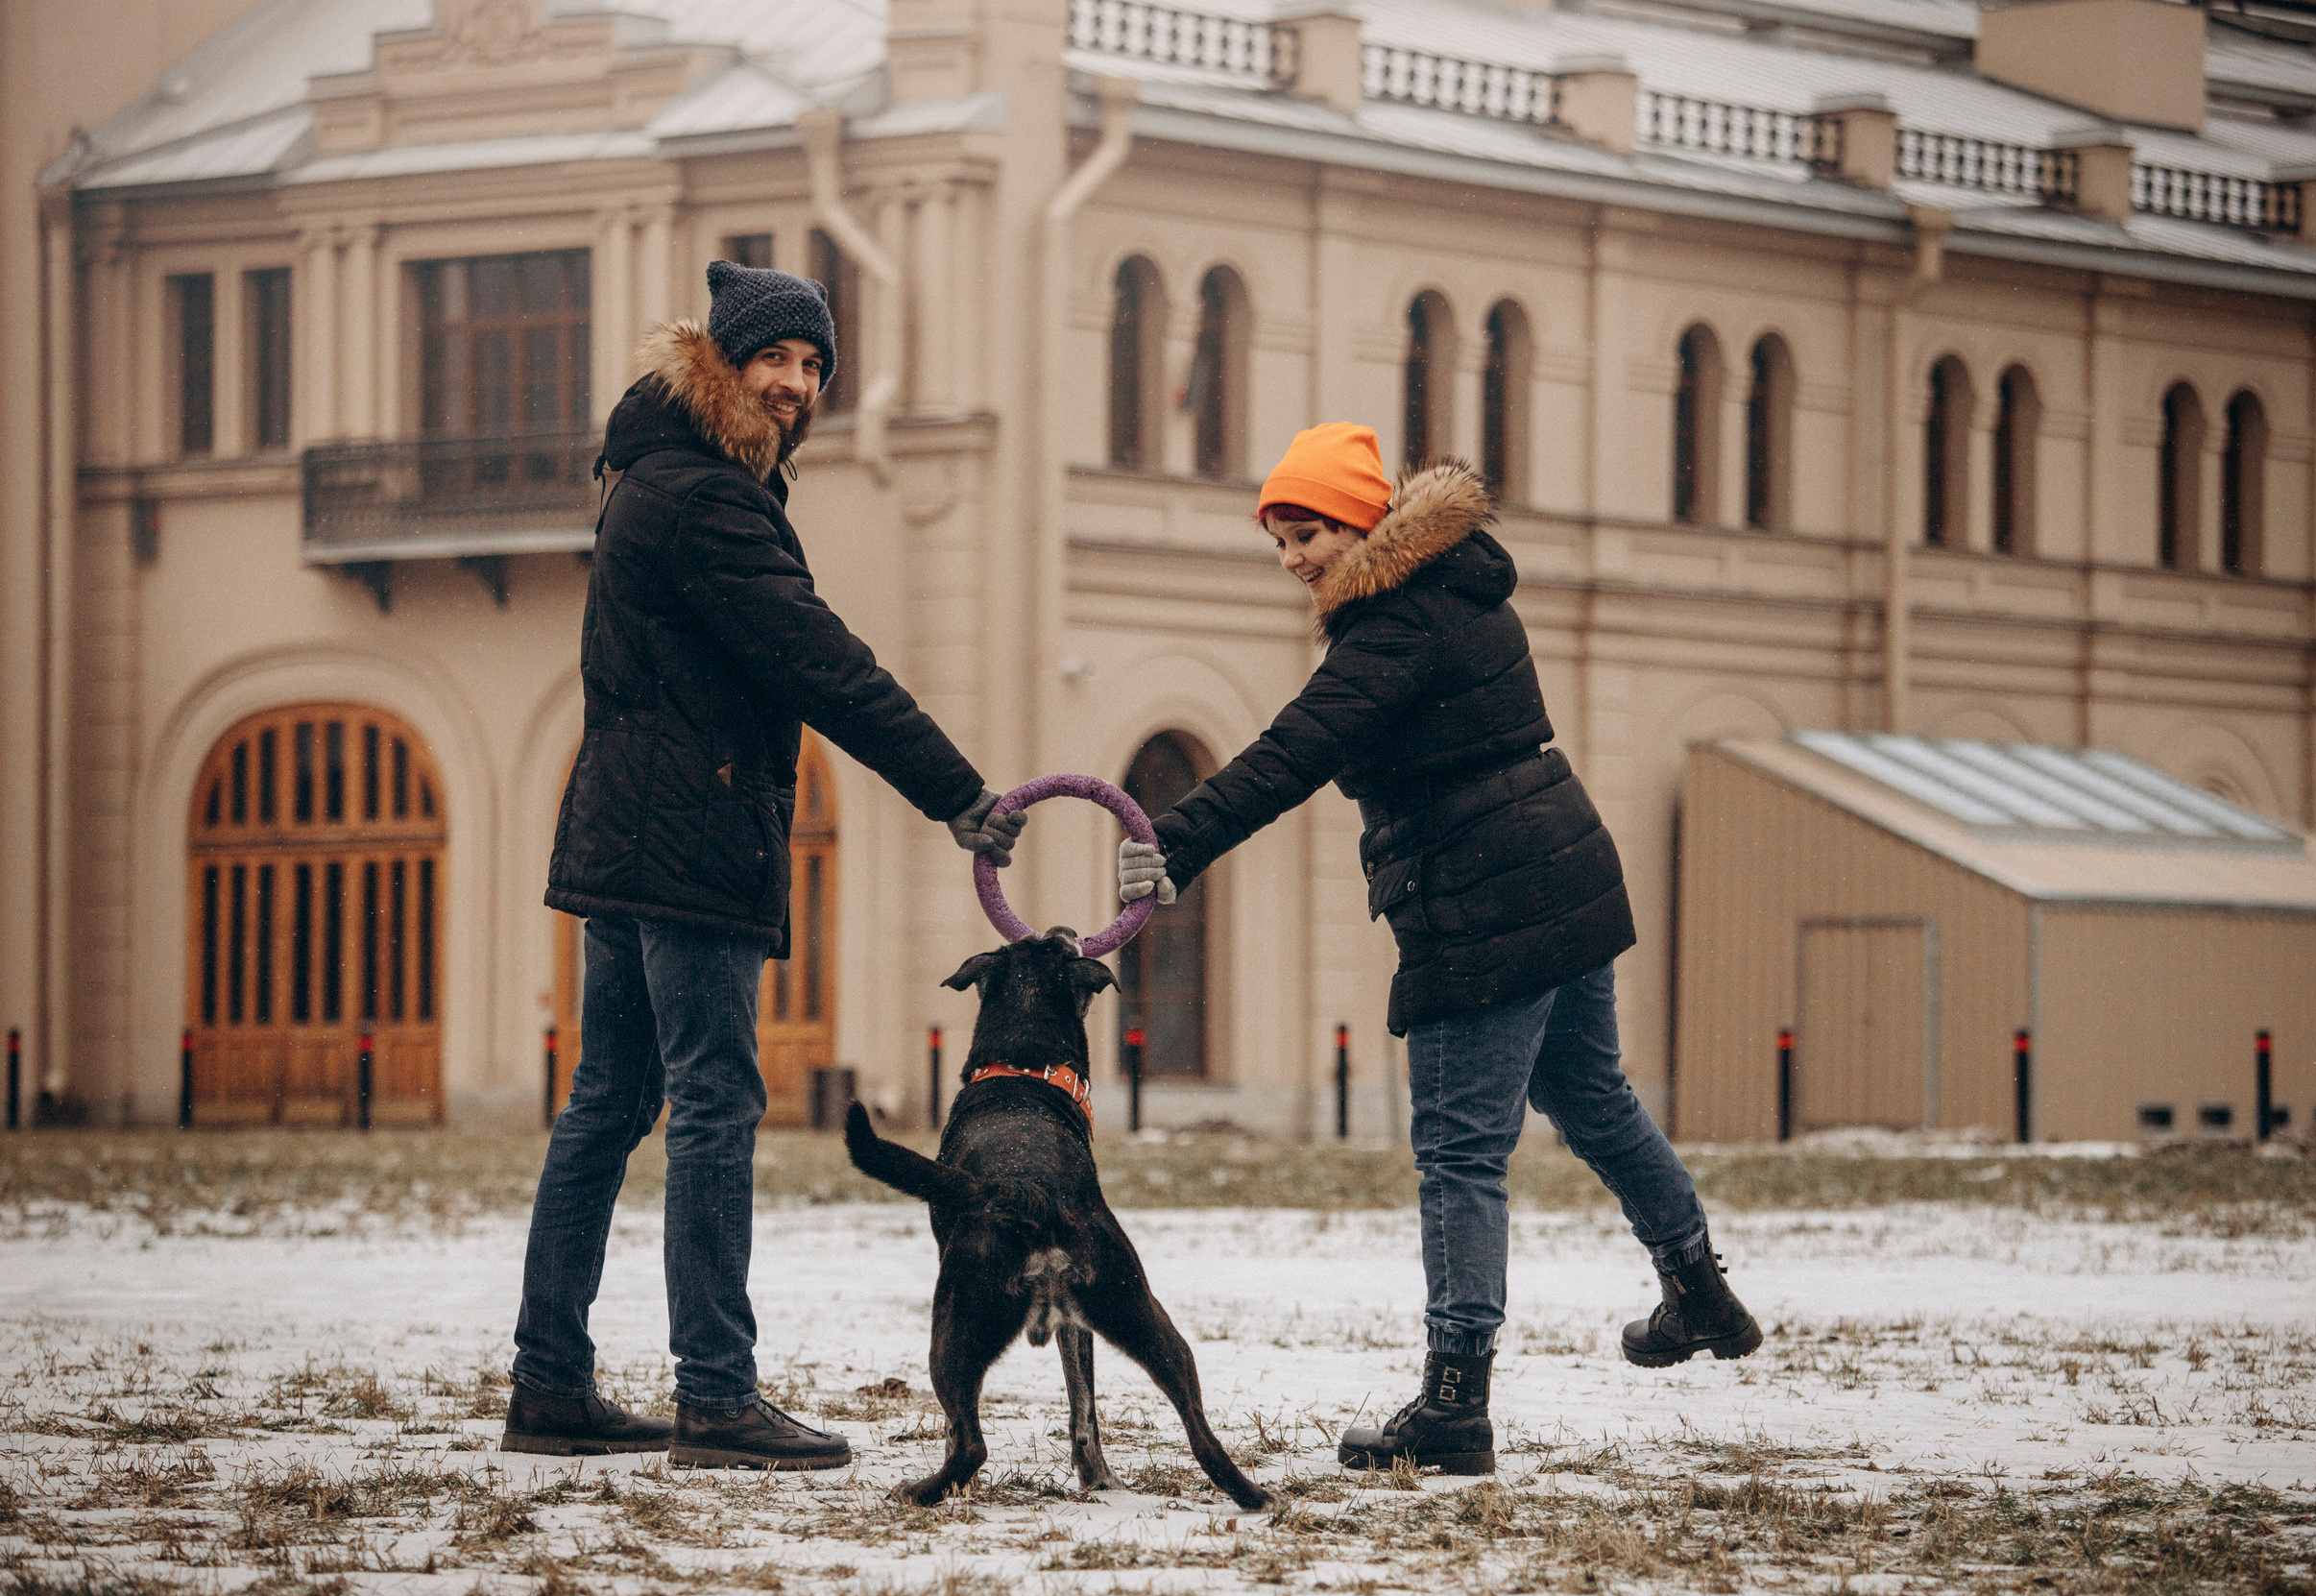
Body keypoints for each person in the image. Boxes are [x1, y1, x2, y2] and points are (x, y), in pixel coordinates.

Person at [1117, 423, 1759, 1475]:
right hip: (1562, 864)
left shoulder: (1392, 626)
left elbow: (1296, 748)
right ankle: (1697, 1288)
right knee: (1594, 1097)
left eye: (1308, 531)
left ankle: (1455, 1404)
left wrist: (1172, 837)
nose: (1293, 560)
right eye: (1278, 540)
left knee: (1461, 1151)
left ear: (1365, 521)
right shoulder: (1464, 587)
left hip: (1481, 895)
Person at [505, 261, 1025, 1470]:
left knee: (610, 1103)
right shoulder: (706, 498)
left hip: (632, 829)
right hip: (691, 836)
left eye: (812, 365)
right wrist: (957, 792)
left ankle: (548, 1382)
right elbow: (820, 661)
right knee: (711, 1103)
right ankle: (717, 1394)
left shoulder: (657, 475)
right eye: (775, 360)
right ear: (723, 365)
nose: (796, 384)